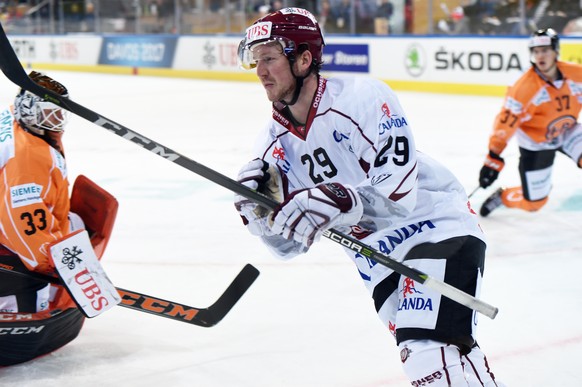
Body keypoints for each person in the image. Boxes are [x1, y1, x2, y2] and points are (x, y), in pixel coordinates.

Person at [234, 8, 504, 385]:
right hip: (377, 261)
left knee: (426, 354)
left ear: (304, 58)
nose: (259, 70)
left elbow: (399, 193)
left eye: (269, 58)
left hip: (435, 228)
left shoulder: (362, 97)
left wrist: (340, 200)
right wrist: (262, 219)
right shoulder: (271, 149)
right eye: (254, 59)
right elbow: (287, 247)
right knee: (446, 355)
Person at [0, 71, 119, 366]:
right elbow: (20, 224)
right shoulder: (27, 158)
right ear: (30, 110)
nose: (56, 120)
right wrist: (52, 267)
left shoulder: (17, 120)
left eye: (59, 112)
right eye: (49, 112)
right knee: (37, 281)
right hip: (10, 247)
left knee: (77, 225)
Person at [478, 28, 582, 217]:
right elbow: (505, 123)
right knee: (534, 203)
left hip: (568, 131)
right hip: (536, 143)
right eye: (536, 51)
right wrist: (493, 157)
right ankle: (504, 196)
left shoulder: (576, 74)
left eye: (545, 50)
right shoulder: (523, 88)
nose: (540, 55)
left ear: (556, 51)